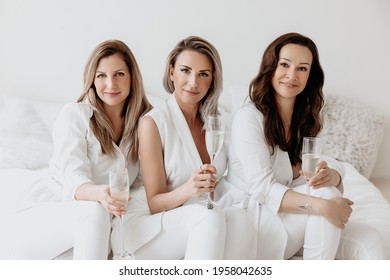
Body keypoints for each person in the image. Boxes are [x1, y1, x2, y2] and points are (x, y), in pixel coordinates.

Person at [220, 32, 389, 259]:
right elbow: (262, 188)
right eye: (285, 65)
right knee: (327, 196)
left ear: (310, 75)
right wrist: (320, 205)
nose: (292, 75)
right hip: (258, 225)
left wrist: (332, 176)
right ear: (271, 67)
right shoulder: (249, 118)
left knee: (370, 239)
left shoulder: (306, 117)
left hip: (294, 220)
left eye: (302, 68)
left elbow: (331, 162)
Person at [111, 35, 254, 259]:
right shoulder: (152, 123)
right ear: (171, 73)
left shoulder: (215, 122)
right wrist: (190, 189)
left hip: (198, 217)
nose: (193, 82)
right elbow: (155, 202)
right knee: (209, 216)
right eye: (185, 70)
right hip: (149, 224)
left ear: (212, 80)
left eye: (203, 74)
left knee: (240, 219)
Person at [7, 39, 152, 259]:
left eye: (119, 74)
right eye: (101, 75)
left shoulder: (145, 123)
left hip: (104, 218)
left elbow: (142, 183)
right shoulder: (74, 116)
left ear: (133, 77)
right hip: (53, 211)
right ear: (92, 79)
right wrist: (102, 195)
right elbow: (74, 180)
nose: (111, 84)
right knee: (95, 209)